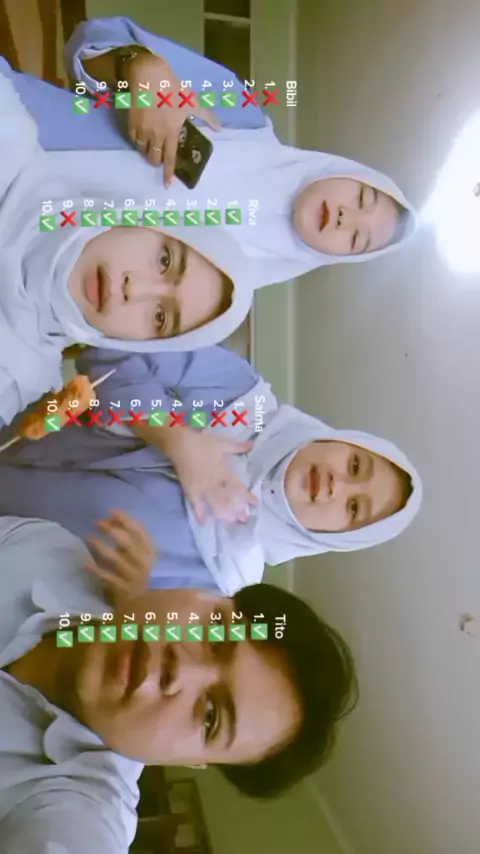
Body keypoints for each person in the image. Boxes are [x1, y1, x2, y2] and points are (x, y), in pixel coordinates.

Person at [0, 511, 357, 852]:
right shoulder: (48, 551)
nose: (180, 671)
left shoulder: (81, 812)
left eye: (211, 717)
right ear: (206, 594)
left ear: (193, 761)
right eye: (216, 632)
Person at [2, 17, 417, 290]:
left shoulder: (222, 286)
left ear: (338, 259)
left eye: (356, 239)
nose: (345, 217)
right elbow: (87, 42)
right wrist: (140, 68)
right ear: (346, 170)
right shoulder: (239, 114)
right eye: (360, 197)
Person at [0, 345, 422, 595]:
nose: (336, 486)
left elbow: (82, 619)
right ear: (342, 440)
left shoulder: (220, 576)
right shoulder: (241, 395)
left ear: (332, 538)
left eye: (353, 508)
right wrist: (172, 436)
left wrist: (132, 601)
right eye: (354, 465)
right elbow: (114, 346)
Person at [0, 68, 252, 429]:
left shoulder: (16, 382)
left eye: (160, 318)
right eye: (164, 261)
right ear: (142, 222)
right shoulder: (9, 135)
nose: (136, 290)